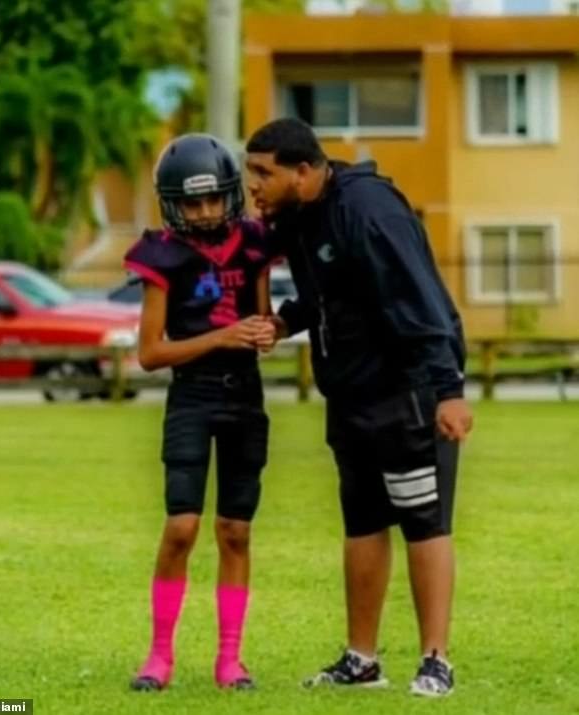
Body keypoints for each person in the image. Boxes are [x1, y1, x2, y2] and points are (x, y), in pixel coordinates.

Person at [245, 118, 473, 697]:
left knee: (423, 521)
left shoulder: (369, 211)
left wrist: (447, 389)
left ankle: (436, 661)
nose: (254, 186)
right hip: (351, 398)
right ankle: (361, 660)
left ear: (303, 171)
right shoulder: (300, 217)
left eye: (262, 174)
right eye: (251, 173)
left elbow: (418, 297)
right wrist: (286, 320)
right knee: (364, 523)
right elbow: (332, 291)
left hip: (407, 393)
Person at [125, 133, 276, 692]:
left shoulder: (256, 244)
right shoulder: (162, 255)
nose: (207, 211)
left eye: (214, 199)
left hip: (245, 397)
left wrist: (266, 331)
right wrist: (222, 337)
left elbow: (262, 321)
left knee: (235, 530)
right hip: (192, 395)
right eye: (193, 202)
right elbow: (149, 353)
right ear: (173, 204)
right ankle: (159, 656)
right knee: (182, 527)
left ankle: (229, 660)